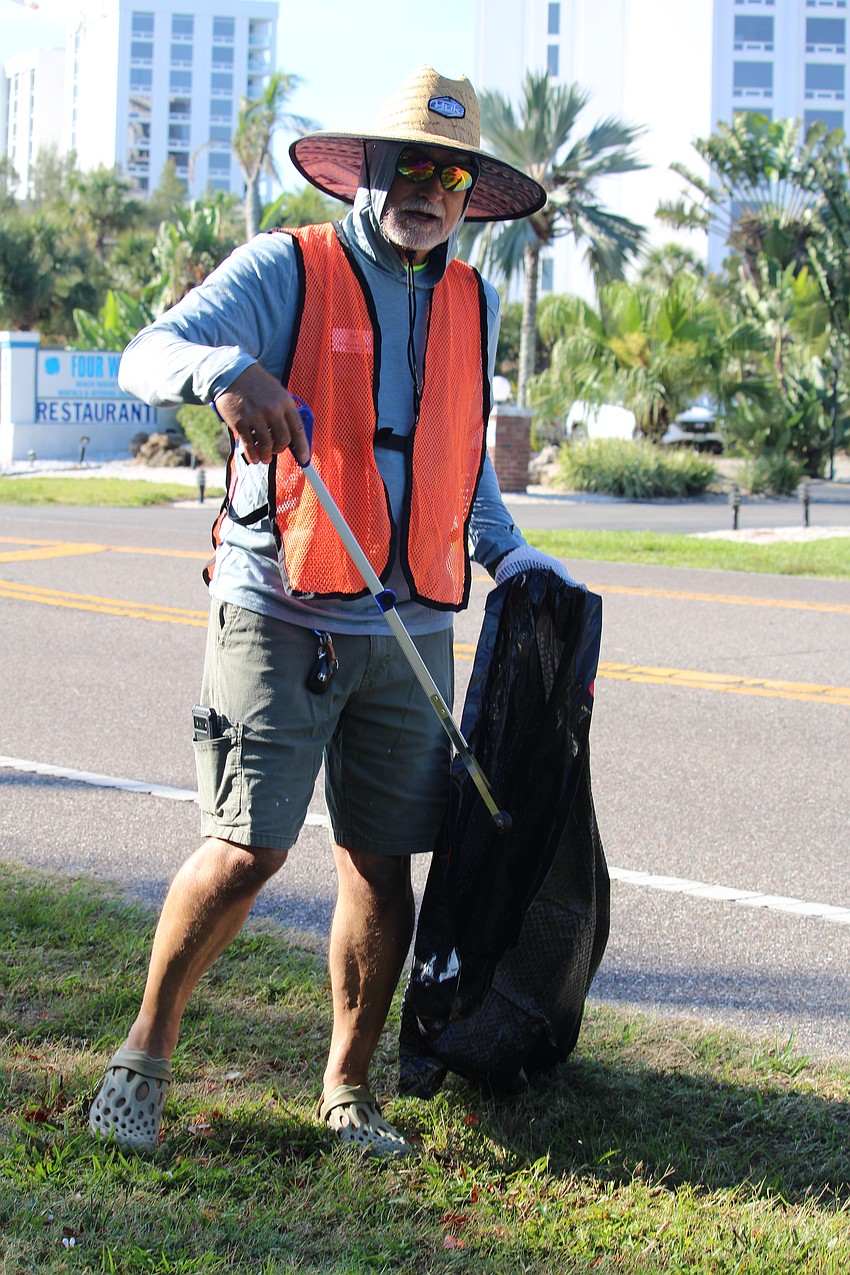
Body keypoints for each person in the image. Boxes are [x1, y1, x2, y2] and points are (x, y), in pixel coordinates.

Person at [88, 64, 571, 1159]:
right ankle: (142, 1058)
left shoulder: (473, 300)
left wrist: (510, 550)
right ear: (369, 170)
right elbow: (143, 356)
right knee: (245, 851)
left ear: (469, 196)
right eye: (413, 166)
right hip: (281, 611)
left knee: (382, 866)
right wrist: (227, 370)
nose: (430, 190)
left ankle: (348, 1091)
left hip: (410, 631)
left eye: (453, 175)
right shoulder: (288, 267)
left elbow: (456, 458)